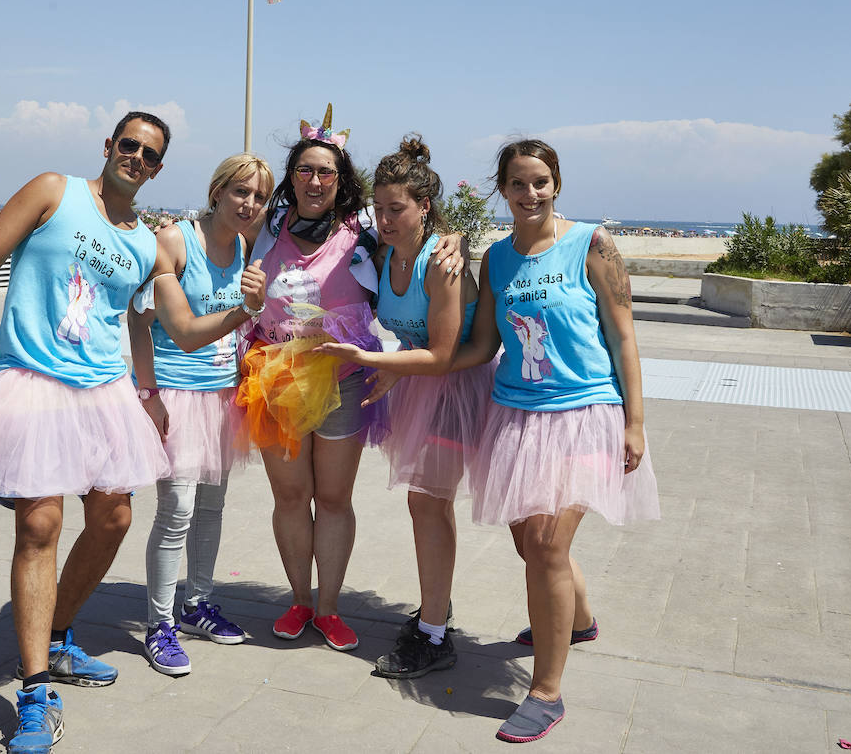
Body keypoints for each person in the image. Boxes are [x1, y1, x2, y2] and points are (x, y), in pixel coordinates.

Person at [0, 112, 265, 754]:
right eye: (129, 145)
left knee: (114, 521)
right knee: (39, 525)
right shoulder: (53, 191)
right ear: (108, 147)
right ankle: (36, 691)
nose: (136, 158)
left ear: (158, 169)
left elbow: (168, 327)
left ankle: (60, 637)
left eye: (150, 155)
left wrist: (233, 321)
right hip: (34, 380)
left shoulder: (147, 246)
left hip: (104, 391)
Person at [235, 105, 465, 652]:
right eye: (305, 171)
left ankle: (330, 607)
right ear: (290, 176)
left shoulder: (363, 227)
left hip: (343, 379)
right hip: (274, 376)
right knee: (291, 497)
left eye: (327, 173)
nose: (315, 181)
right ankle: (299, 600)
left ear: (341, 182)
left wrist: (453, 237)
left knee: (334, 498)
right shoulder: (267, 226)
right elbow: (217, 225)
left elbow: (412, 225)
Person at [454, 138, 660, 743]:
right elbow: (484, 344)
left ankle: (545, 690)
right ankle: (579, 620)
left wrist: (636, 422)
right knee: (531, 543)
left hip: (586, 413)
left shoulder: (591, 244)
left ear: (557, 183)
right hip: (515, 416)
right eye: (518, 183)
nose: (530, 193)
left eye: (540, 181)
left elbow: (624, 337)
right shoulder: (497, 258)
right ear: (503, 189)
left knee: (545, 544)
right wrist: (406, 364)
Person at [312, 133, 492, 679]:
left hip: (455, 389)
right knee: (434, 505)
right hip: (411, 386)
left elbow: (440, 356)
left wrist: (378, 362)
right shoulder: (383, 250)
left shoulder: (442, 264)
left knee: (428, 504)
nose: (386, 220)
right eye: (381, 209)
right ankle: (573, 616)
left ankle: (434, 634)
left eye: (398, 209)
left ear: (425, 208)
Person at [127, 153, 274, 676]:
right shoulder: (174, 241)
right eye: (240, 192)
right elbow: (163, 328)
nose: (249, 204)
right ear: (217, 191)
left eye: (258, 197)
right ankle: (159, 624)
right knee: (177, 512)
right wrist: (149, 393)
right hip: (176, 393)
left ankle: (197, 605)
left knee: (212, 507)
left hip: (221, 397)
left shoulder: (245, 245)